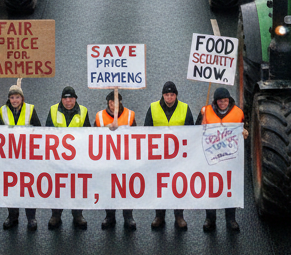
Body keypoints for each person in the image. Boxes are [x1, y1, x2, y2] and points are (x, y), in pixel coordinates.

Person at [196, 87, 248, 232]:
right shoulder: (205, 111)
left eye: (225, 101)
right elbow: (194, 130)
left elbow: (244, 129)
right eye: (220, 101)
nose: (223, 103)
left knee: (229, 188)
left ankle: (231, 220)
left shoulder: (238, 113)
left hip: (230, 159)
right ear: (215, 101)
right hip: (210, 158)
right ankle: (210, 219)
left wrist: (244, 133)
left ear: (229, 100)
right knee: (211, 188)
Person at [145, 81, 193, 229]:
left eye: (172, 95)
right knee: (160, 186)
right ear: (163, 95)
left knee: (178, 185)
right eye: (167, 94)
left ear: (176, 95)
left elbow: (192, 131)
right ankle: (159, 215)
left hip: (178, 156)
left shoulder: (185, 108)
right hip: (159, 156)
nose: (169, 97)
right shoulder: (153, 108)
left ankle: (179, 216)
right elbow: (146, 130)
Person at [46, 86, 90, 229]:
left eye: (71, 98)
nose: (68, 101)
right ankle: (56, 215)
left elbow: (89, 134)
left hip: (77, 159)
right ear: (61, 99)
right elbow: (47, 132)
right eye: (65, 98)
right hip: (58, 158)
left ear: (75, 99)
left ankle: (78, 215)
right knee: (58, 187)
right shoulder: (53, 110)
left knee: (77, 187)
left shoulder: (83, 111)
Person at [0, 83, 42, 230]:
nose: (15, 100)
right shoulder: (2, 111)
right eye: (12, 97)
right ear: (9, 99)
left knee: (28, 188)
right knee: (11, 188)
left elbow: (39, 130)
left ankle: (31, 218)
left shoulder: (30, 109)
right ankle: (12, 217)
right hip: (10, 157)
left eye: (17, 97)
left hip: (27, 157)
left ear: (22, 98)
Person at [95, 91, 136, 230]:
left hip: (125, 159)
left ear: (121, 102)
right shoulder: (100, 116)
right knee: (109, 189)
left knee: (126, 188)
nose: (113, 105)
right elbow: (93, 136)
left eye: (116, 101)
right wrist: (107, 129)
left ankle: (128, 216)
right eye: (111, 102)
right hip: (107, 159)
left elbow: (137, 136)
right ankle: (110, 216)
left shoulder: (130, 115)